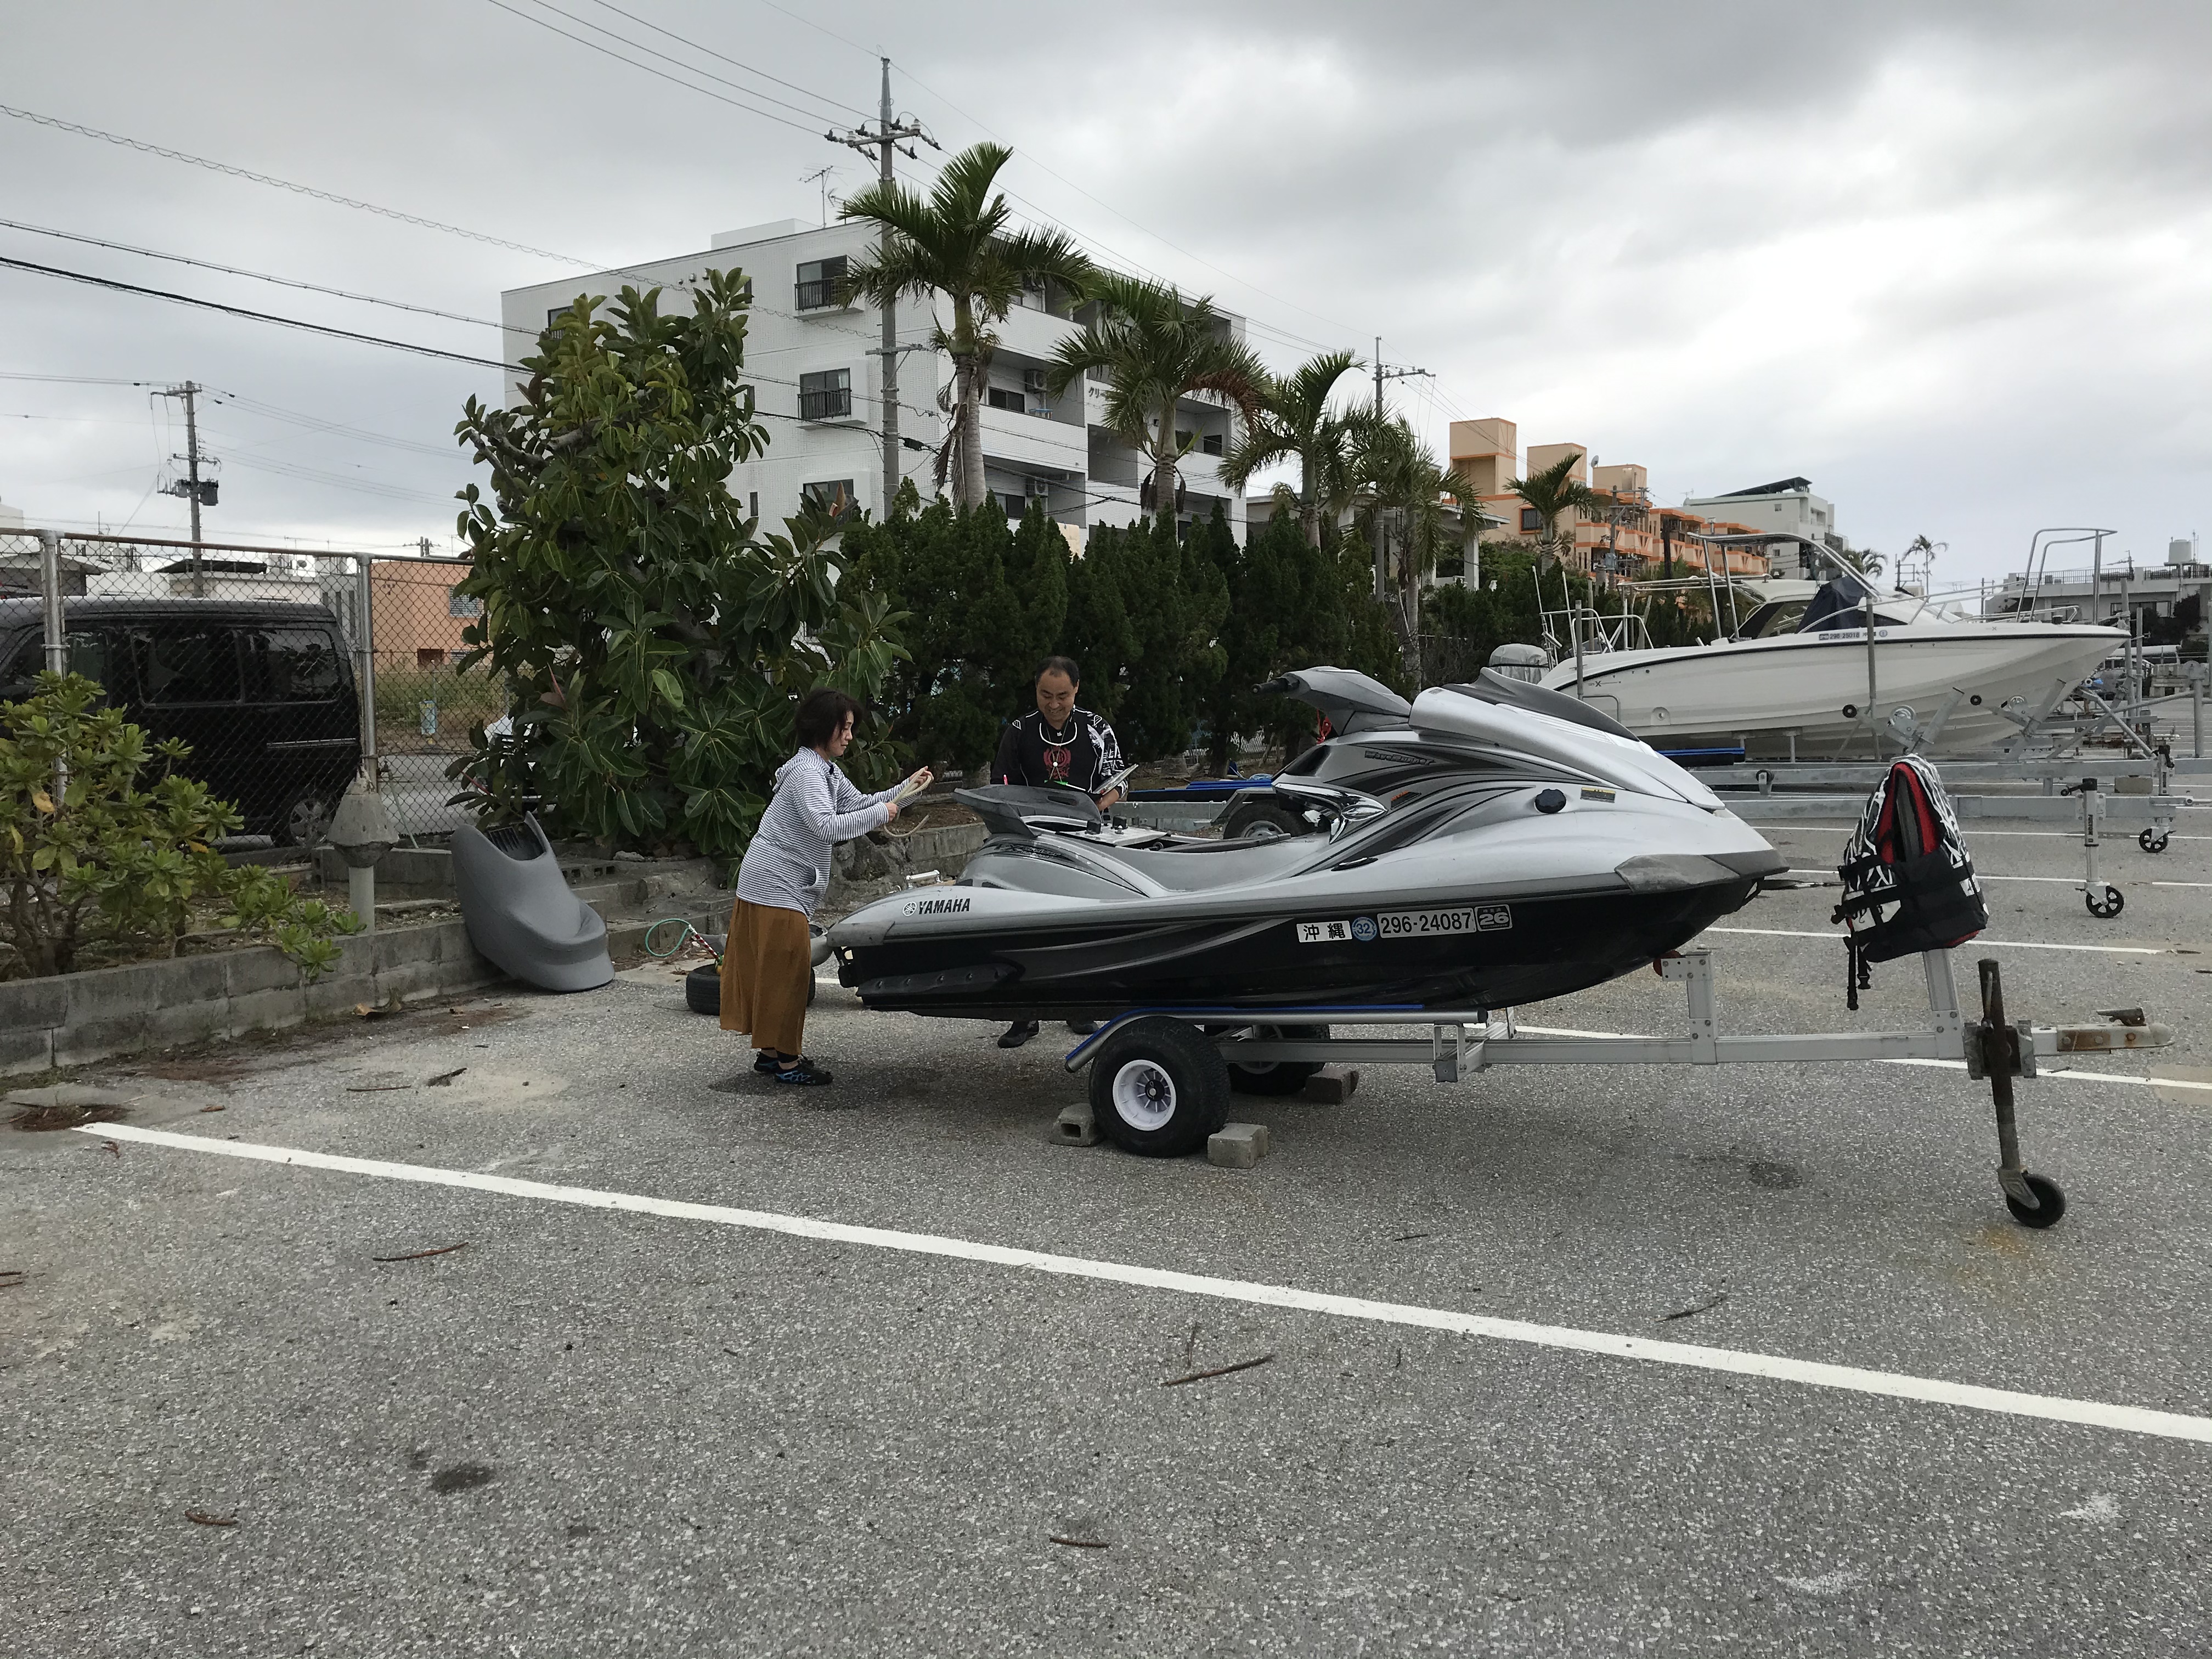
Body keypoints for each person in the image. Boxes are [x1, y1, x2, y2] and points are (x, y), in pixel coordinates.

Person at [721, 687, 930, 1086]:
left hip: (776, 886)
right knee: (789, 974)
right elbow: (827, 827)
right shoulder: (807, 773)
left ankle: (771, 1054)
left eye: (851, 728)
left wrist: (907, 790)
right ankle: (787, 1063)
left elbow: (860, 804)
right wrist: (883, 812)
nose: (850, 737)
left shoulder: (825, 770)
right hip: (774, 886)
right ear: (823, 727)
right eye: (844, 728)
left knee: (776, 972)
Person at [990, 655, 1125, 1049]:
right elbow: (1001, 786)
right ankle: (1024, 1013)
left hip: (1084, 839)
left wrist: (1097, 806)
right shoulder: (1019, 732)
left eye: (1062, 696)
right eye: (1045, 695)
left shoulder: (1097, 728)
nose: (1053, 704)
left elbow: (1119, 781)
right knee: (1024, 925)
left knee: (1081, 925)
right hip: (1031, 841)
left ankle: (1078, 1006)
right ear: (1035, 690)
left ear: (1076, 690)